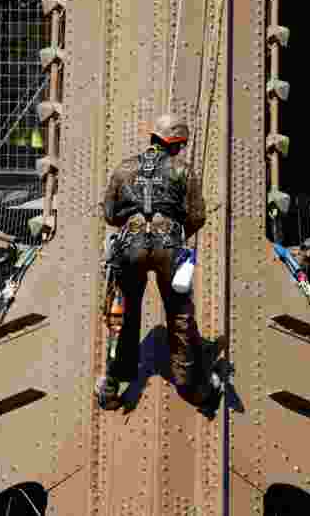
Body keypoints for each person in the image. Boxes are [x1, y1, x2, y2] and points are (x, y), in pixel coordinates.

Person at [98, 114, 221, 412]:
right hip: (169, 247)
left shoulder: (125, 168)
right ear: (176, 143)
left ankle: (112, 385)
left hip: (131, 246)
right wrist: (176, 234)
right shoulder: (183, 170)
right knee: (179, 315)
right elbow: (197, 216)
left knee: (122, 313)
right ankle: (193, 387)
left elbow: (111, 214)